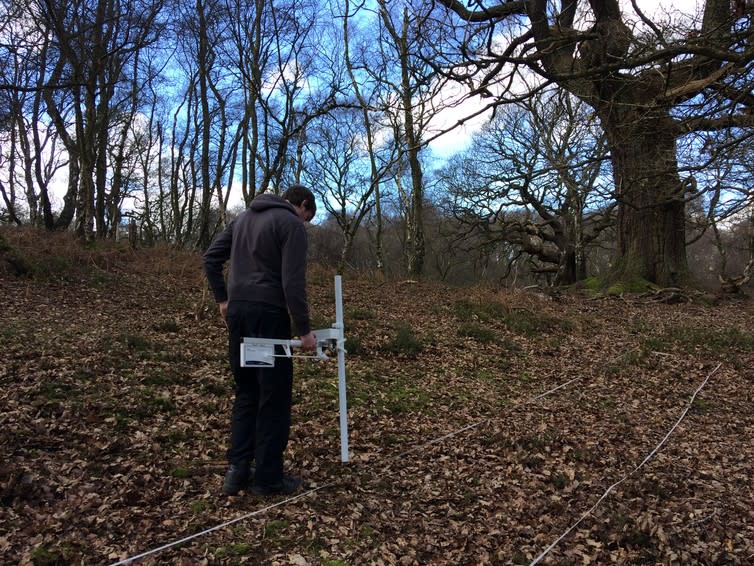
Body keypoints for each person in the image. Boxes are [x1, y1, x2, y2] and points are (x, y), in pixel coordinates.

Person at [202, 184, 317, 496]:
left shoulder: (242, 219)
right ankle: (268, 478)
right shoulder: (290, 224)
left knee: (247, 391)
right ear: (303, 205)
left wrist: (223, 300)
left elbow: (211, 258)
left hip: (239, 315)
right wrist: (304, 329)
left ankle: (237, 470)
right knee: (273, 395)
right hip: (268, 316)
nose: (304, 223)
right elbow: (292, 281)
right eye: (307, 217)